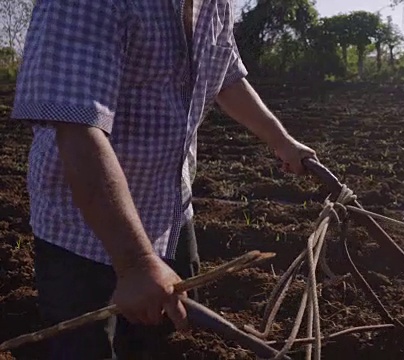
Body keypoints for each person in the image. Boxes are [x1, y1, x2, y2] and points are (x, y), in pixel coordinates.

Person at [10, 0, 317, 359]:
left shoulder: (214, 4)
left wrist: (281, 140)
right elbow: (78, 127)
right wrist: (136, 263)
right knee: (84, 348)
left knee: (174, 343)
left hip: (167, 214)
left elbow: (226, 74)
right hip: (80, 228)